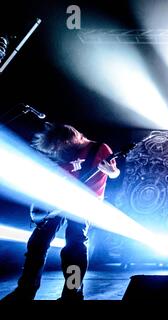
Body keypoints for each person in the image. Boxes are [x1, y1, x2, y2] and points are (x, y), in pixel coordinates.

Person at [2, 123, 120, 301]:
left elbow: (114, 173)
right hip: (57, 204)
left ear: (70, 138)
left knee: (74, 247)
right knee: (36, 245)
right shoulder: (62, 154)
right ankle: (25, 290)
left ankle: (73, 292)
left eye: (61, 145)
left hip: (84, 205)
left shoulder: (99, 148)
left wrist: (111, 172)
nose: (60, 150)